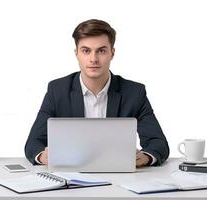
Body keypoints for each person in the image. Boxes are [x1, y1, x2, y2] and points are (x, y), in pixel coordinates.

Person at [25, 19, 169, 167]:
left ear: (112, 53)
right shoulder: (57, 90)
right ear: (77, 54)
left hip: (119, 176)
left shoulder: (134, 93)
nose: (93, 59)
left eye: (101, 51)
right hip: (71, 176)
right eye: (86, 51)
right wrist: (43, 156)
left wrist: (145, 157)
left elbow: (158, 142)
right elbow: (33, 142)